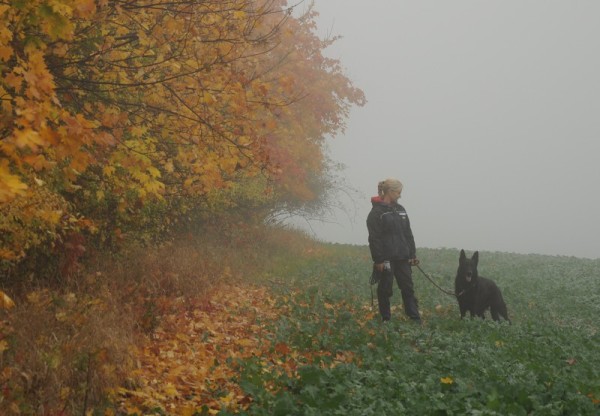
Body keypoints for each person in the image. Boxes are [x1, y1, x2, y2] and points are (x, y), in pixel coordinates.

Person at [366, 178, 421, 323]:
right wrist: (378, 260)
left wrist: (412, 254)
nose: (400, 195)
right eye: (398, 192)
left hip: (403, 257)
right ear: (390, 192)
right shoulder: (376, 213)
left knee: (408, 288)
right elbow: (374, 239)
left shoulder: (401, 210)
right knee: (385, 290)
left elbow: (408, 233)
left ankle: (415, 318)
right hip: (386, 259)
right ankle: (386, 319)